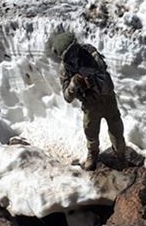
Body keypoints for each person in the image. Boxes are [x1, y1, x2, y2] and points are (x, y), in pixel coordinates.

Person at [51, 32, 126, 171]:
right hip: (90, 104)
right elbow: (67, 97)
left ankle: (121, 156)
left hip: (107, 99)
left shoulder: (91, 55)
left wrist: (93, 78)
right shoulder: (65, 69)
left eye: (74, 49)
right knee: (91, 133)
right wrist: (74, 84)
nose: (73, 55)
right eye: (69, 54)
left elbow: (106, 81)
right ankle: (93, 154)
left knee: (116, 130)